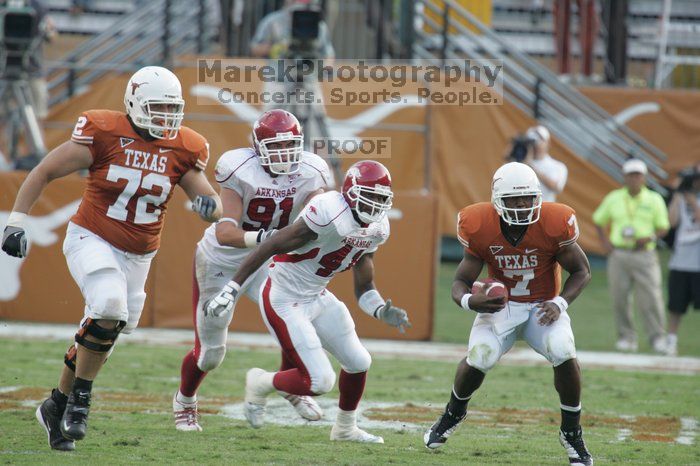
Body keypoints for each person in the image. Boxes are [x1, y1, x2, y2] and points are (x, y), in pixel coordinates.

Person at [0, 66, 222, 451]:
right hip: (92, 237)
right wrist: (16, 222)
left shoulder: (185, 146)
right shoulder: (104, 131)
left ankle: (56, 405)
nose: (165, 118)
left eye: (172, 110)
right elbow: (44, 171)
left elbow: (210, 201)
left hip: (139, 256)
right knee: (109, 306)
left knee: (103, 335)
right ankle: (80, 404)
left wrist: (210, 205)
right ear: (134, 102)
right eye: (156, 108)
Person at [205, 160, 411, 443]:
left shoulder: (377, 228)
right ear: (351, 192)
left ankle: (345, 429)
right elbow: (272, 244)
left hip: (316, 295)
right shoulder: (328, 209)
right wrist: (232, 287)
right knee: (319, 381)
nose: (375, 204)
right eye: (369, 195)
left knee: (359, 361)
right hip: (284, 296)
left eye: (380, 198)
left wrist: (379, 310)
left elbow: (364, 285)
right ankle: (261, 382)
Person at [173, 109, 333, 431]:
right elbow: (225, 233)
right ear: (257, 147)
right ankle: (185, 399)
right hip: (223, 260)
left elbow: (320, 215)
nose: (284, 154)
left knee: (295, 318)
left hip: (269, 260)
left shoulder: (312, 170)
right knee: (210, 355)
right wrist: (272, 238)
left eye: (290, 146)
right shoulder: (240, 168)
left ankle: (291, 385)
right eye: (275, 147)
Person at [424, 162, 593, 466]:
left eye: (528, 198)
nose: (522, 206)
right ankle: (453, 413)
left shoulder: (554, 222)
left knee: (564, 351)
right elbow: (460, 281)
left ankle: (571, 432)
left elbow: (582, 271)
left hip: (543, 305)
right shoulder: (479, 224)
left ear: (537, 198)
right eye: (515, 200)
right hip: (502, 306)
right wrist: (468, 302)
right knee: (481, 354)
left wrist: (560, 303)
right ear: (498, 201)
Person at [593, 159, 670, 353]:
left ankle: (658, 338)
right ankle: (626, 338)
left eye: (638, 175)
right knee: (620, 297)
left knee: (651, 297)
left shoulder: (654, 199)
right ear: (625, 177)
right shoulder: (614, 197)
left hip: (645, 254)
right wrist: (605, 242)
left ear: (643, 177)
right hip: (619, 253)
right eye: (631, 175)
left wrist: (650, 237)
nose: (634, 178)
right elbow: (598, 220)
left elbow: (663, 227)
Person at [666, 167, 700, 356]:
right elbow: (671, 222)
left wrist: (693, 202)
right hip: (680, 261)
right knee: (676, 306)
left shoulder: (694, 199)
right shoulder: (681, 198)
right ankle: (671, 341)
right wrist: (678, 195)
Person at [250, 0, 335, 60]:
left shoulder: (319, 25)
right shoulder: (272, 21)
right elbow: (254, 48)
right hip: (278, 77)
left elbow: (328, 54)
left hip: (310, 78)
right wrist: (277, 48)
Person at [524, 125, 568, 202]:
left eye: (540, 140)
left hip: (544, 209)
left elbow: (556, 187)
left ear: (548, 143)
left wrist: (531, 166)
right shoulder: (520, 163)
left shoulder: (558, 166)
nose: (536, 144)